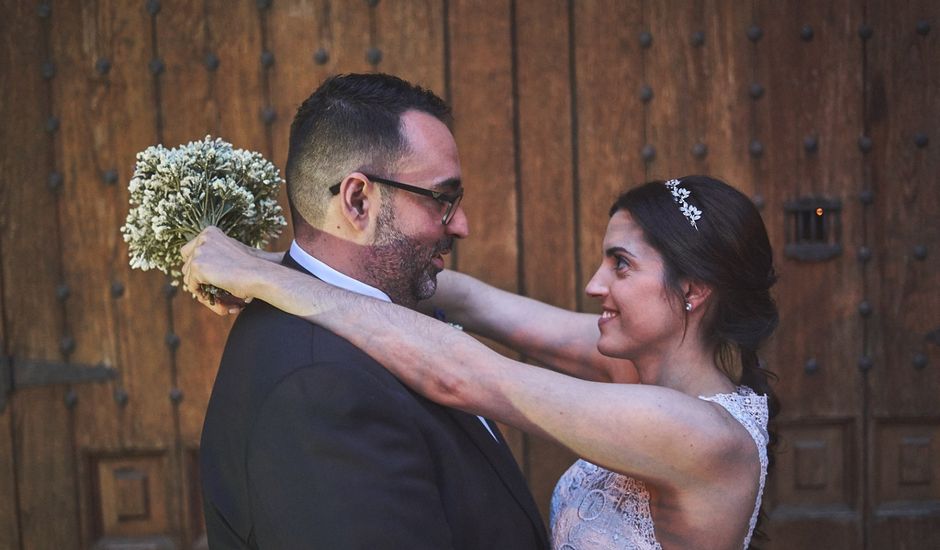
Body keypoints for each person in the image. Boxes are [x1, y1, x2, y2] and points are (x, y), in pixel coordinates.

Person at [184, 175, 779, 549]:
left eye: (621, 265)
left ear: (693, 291)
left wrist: (263, 279)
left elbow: (463, 374)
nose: (596, 284)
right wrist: (289, 264)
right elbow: (471, 299)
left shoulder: (703, 437)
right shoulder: (634, 368)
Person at [198, 73, 549, 549]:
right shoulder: (323, 388)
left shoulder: (371, 313)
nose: (461, 225)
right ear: (358, 201)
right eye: (442, 200)